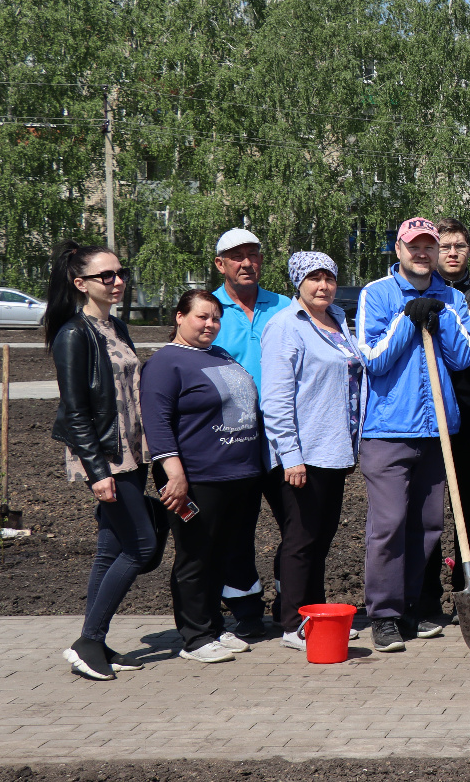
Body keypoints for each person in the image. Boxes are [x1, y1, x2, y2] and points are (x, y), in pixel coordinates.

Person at [356, 217, 470, 653]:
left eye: (430, 246)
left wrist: (441, 318)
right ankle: (384, 615)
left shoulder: (452, 297)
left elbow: (466, 356)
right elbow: (373, 358)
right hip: (388, 428)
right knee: (389, 524)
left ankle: (409, 607)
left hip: (437, 429)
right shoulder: (377, 294)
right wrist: (407, 320)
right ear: (399, 249)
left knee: (428, 525)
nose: (423, 253)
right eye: (414, 246)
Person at [141, 290, 268, 664]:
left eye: (215, 317)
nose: (211, 324)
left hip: (239, 475)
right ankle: (194, 637)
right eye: (202, 317)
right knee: (195, 555)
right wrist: (174, 475)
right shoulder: (165, 363)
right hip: (197, 478)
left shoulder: (220, 354)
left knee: (222, 553)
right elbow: (157, 423)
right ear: (180, 317)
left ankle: (213, 625)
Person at [49, 243, 152, 681]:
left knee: (110, 548)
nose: (117, 281)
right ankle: (87, 641)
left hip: (133, 450)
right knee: (142, 547)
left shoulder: (117, 326)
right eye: (106, 275)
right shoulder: (73, 334)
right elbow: (75, 411)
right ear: (80, 283)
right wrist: (98, 472)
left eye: (120, 273)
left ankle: (96, 641)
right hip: (107, 456)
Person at [260, 252, 365, 652]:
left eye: (329, 278)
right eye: (314, 278)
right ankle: (292, 624)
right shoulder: (285, 326)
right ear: (298, 283)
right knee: (301, 541)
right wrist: (291, 455)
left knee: (320, 539)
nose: (323, 285)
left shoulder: (337, 320)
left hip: (334, 449)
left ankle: (317, 616)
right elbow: (276, 398)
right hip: (303, 454)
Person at [209, 228, 289, 638]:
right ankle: (245, 609)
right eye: (236, 256)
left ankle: (290, 601)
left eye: (253, 254)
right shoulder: (208, 310)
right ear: (220, 264)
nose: (246, 263)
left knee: (296, 523)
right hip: (232, 438)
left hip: (282, 436)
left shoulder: (285, 306)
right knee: (237, 528)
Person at [420, 218, 470, 627]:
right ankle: (426, 593)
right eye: (445, 246)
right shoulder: (420, 291)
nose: (453, 253)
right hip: (427, 411)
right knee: (427, 508)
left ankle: (466, 586)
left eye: (460, 246)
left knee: (466, 503)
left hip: (466, 410)